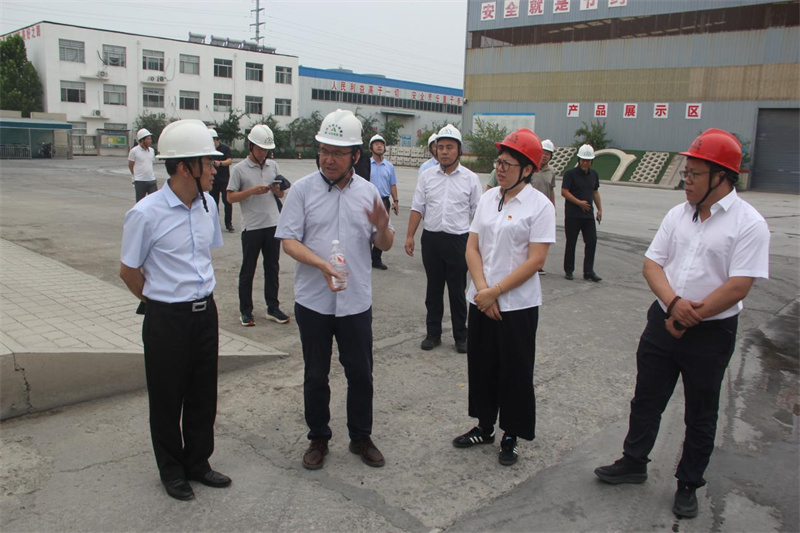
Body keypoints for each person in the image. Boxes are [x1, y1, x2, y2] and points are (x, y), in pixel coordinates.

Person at [594, 129, 770, 519]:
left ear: (721, 177)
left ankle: (689, 482)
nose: (686, 180)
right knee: (646, 398)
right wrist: (674, 305)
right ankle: (633, 461)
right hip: (663, 320)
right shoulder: (677, 215)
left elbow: (739, 285)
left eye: (694, 174)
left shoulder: (749, 224)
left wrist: (693, 315)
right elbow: (652, 264)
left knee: (701, 411)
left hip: (711, 333)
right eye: (685, 173)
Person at [275, 109, 394, 471]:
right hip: (314, 301)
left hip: (355, 302)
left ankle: (361, 436)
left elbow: (384, 244)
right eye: (324, 150)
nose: (328, 159)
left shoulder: (369, 193)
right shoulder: (302, 190)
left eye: (337, 153)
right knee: (315, 374)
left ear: (355, 156)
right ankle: (318, 437)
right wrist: (321, 264)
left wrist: (383, 226)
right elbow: (288, 241)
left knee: (360, 373)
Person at [119, 119, 231, 501]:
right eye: (208, 162)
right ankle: (171, 470)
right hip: (167, 319)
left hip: (205, 314)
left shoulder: (207, 207)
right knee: (167, 398)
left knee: (203, 394)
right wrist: (159, 303)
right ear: (185, 167)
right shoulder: (145, 213)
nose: (215, 169)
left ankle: (198, 462)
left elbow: (203, 257)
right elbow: (128, 271)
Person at [453, 129, 555, 466]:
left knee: (515, 371)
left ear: (527, 169)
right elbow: (472, 247)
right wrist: (483, 292)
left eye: (508, 164)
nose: (500, 168)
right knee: (482, 365)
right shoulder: (488, 199)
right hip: (482, 301)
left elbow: (536, 260)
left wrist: (495, 292)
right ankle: (484, 426)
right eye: (499, 162)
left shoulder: (540, 207)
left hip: (517, 306)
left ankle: (511, 433)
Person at [405, 124, 482, 353]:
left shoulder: (470, 179)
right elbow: (418, 207)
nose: (444, 152)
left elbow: (478, 214)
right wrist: (410, 235)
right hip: (432, 240)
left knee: (457, 291)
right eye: (440, 147)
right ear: (435, 150)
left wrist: (479, 246)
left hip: (459, 241)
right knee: (434, 289)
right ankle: (433, 333)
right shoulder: (427, 176)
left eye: (449, 147)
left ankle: (461, 337)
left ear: (459, 150)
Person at [227, 124, 290, 327]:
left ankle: (273, 307)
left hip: (273, 223)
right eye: (260, 149)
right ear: (250, 146)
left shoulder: (273, 166)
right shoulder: (239, 169)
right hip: (252, 226)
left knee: (272, 268)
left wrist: (277, 190)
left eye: (266, 150)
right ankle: (246, 311)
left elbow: (280, 194)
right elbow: (230, 197)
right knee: (248, 270)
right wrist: (251, 191)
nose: (263, 153)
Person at [561, 144, 603, 282]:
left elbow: (595, 192)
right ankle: (569, 270)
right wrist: (579, 202)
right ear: (579, 160)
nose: (585, 163)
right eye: (583, 160)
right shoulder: (570, 174)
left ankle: (588, 271)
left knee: (592, 241)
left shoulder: (594, 174)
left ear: (591, 161)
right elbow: (564, 192)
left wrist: (600, 209)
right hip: (573, 215)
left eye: (588, 160)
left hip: (588, 215)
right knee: (571, 242)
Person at [368, 134, 399, 270]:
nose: (379, 146)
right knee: (366, 228)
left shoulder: (389, 166)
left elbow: (393, 184)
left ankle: (376, 258)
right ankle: (366, 257)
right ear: (371, 148)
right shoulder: (366, 165)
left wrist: (396, 201)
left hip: (384, 201)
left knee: (383, 229)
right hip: (369, 200)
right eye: (376, 144)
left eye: (381, 144)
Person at [531, 138, 556, 275]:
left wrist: (553, 207)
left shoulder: (551, 172)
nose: (544, 156)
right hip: (530, 207)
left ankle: (537, 264)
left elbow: (551, 190)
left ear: (551, 156)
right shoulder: (530, 169)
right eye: (543, 153)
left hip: (543, 209)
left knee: (541, 237)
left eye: (547, 154)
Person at [208, 129, 234, 233]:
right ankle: (215, 224)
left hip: (224, 180)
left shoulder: (224, 149)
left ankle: (229, 224)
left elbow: (230, 160)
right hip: (212, 180)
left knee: (227, 202)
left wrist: (220, 163)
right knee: (214, 203)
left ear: (216, 139)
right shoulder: (209, 151)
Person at [128, 128, 157, 202]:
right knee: (140, 202)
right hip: (140, 181)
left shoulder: (152, 151)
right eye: (148, 139)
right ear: (142, 140)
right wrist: (134, 175)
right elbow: (130, 165)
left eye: (150, 139)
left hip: (152, 180)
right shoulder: (134, 151)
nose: (150, 141)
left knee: (154, 201)